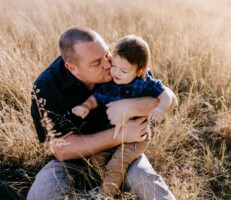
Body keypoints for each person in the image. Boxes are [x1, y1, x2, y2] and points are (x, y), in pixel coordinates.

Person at [27, 26, 177, 200]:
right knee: (41, 195)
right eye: (96, 63)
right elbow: (61, 150)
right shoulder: (47, 88)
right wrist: (121, 134)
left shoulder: (119, 67)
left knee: (151, 187)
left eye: (107, 55)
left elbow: (167, 99)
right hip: (72, 162)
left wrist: (128, 106)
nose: (108, 65)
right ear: (72, 68)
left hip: (121, 152)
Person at [71, 35, 175, 198]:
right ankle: (104, 187)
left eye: (124, 70)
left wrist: (161, 108)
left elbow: (167, 94)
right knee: (96, 160)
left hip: (135, 138)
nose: (116, 73)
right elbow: (96, 98)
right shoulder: (110, 81)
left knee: (116, 164)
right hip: (112, 134)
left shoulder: (143, 81)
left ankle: (105, 195)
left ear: (139, 70)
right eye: (114, 66)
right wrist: (85, 106)